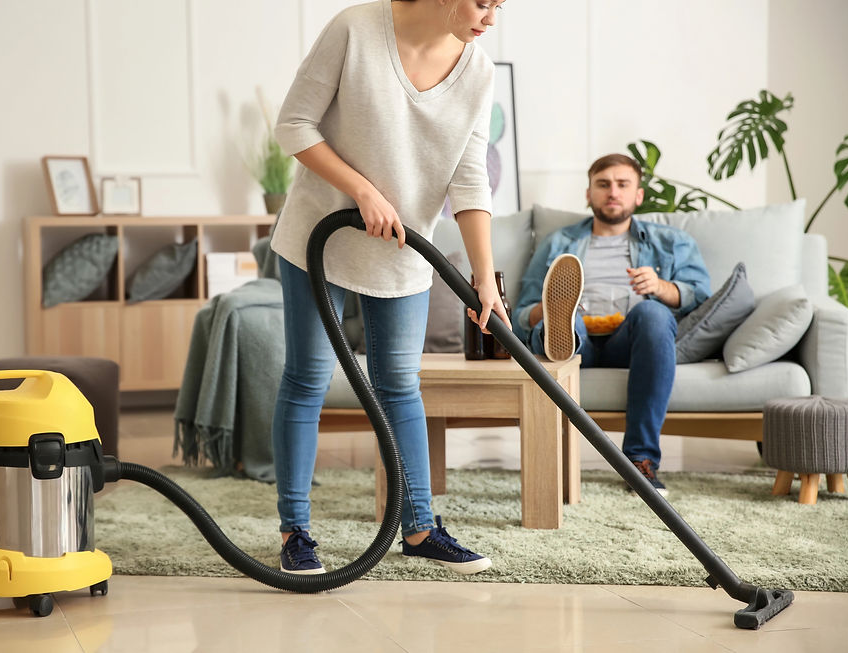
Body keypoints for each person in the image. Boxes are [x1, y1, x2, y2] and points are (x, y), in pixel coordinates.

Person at [269, 0, 509, 575]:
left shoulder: (478, 70)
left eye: (501, 5)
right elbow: (293, 124)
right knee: (307, 378)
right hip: (318, 240)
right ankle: (294, 532)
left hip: (403, 250)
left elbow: (470, 175)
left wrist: (483, 277)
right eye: (483, 2)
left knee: (399, 384)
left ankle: (420, 527)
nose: (491, 18)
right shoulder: (356, 29)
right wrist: (362, 190)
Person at [512, 154, 711, 496]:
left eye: (623, 184)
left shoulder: (671, 242)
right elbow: (521, 312)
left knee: (654, 313)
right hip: (579, 337)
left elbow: (701, 296)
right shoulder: (559, 244)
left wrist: (662, 288)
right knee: (565, 316)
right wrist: (548, 309)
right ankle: (562, 332)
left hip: (632, 342)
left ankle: (640, 463)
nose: (612, 192)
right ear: (588, 194)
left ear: (638, 195)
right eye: (603, 184)